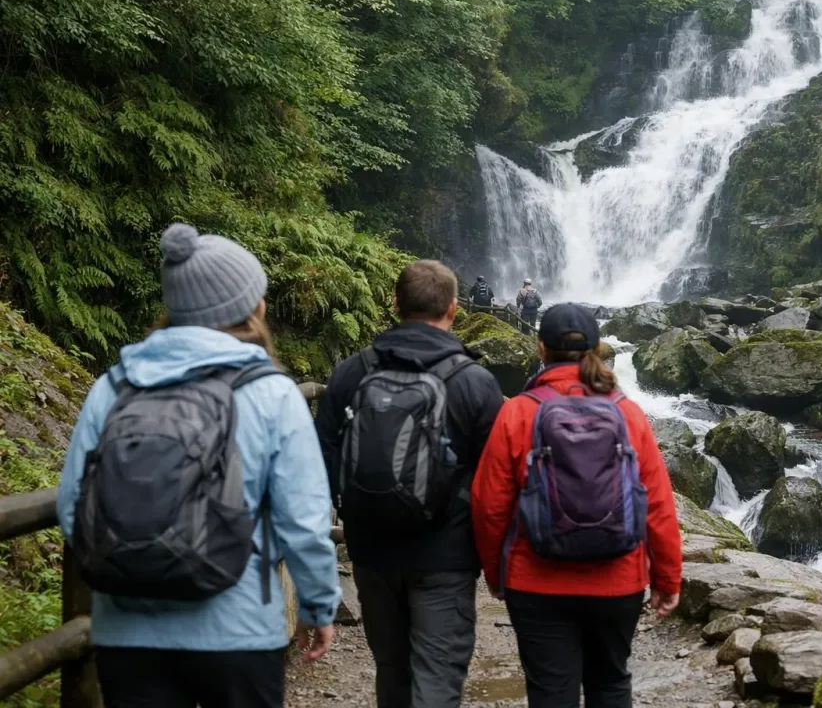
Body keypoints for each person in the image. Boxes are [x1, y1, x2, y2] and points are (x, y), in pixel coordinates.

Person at [56, 223, 340, 708]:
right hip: (239, 627)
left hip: (127, 632)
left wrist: (134, 567)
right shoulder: (271, 392)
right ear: (250, 307)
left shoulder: (115, 386)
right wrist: (318, 604)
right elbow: (304, 519)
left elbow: (72, 507)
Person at [472, 303, 683, 708]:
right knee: (611, 683)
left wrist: (497, 574)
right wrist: (667, 579)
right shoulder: (627, 413)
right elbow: (657, 503)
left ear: (540, 348)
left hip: (534, 580)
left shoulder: (518, 412)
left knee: (550, 690)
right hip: (618, 580)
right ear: (598, 349)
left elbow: (489, 505)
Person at [316, 260, 505, 708]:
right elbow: (497, 483)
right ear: (454, 308)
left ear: (395, 304)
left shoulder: (350, 373)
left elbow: (322, 458)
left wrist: (353, 513)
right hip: (446, 557)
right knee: (437, 679)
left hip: (371, 552)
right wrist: (494, 561)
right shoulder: (476, 382)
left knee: (392, 671)